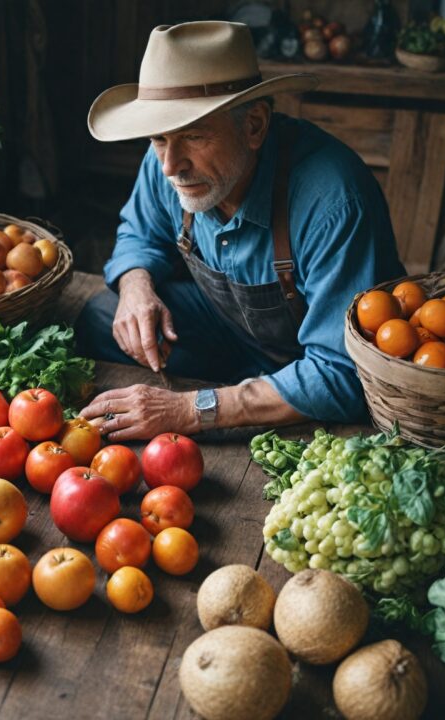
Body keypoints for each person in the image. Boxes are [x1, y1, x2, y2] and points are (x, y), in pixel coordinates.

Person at [75, 20, 405, 440]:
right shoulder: (168, 164)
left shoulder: (334, 200)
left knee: (332, 392)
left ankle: (267, 394)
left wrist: (190, 409)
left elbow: (343, 372)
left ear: (253, 126)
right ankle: (255, 388)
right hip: (229, 331)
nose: (169, 166)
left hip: (311, 355)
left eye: (193, 136)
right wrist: (136, 287)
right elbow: (139, 235)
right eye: (159, 137)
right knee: (99, 318)